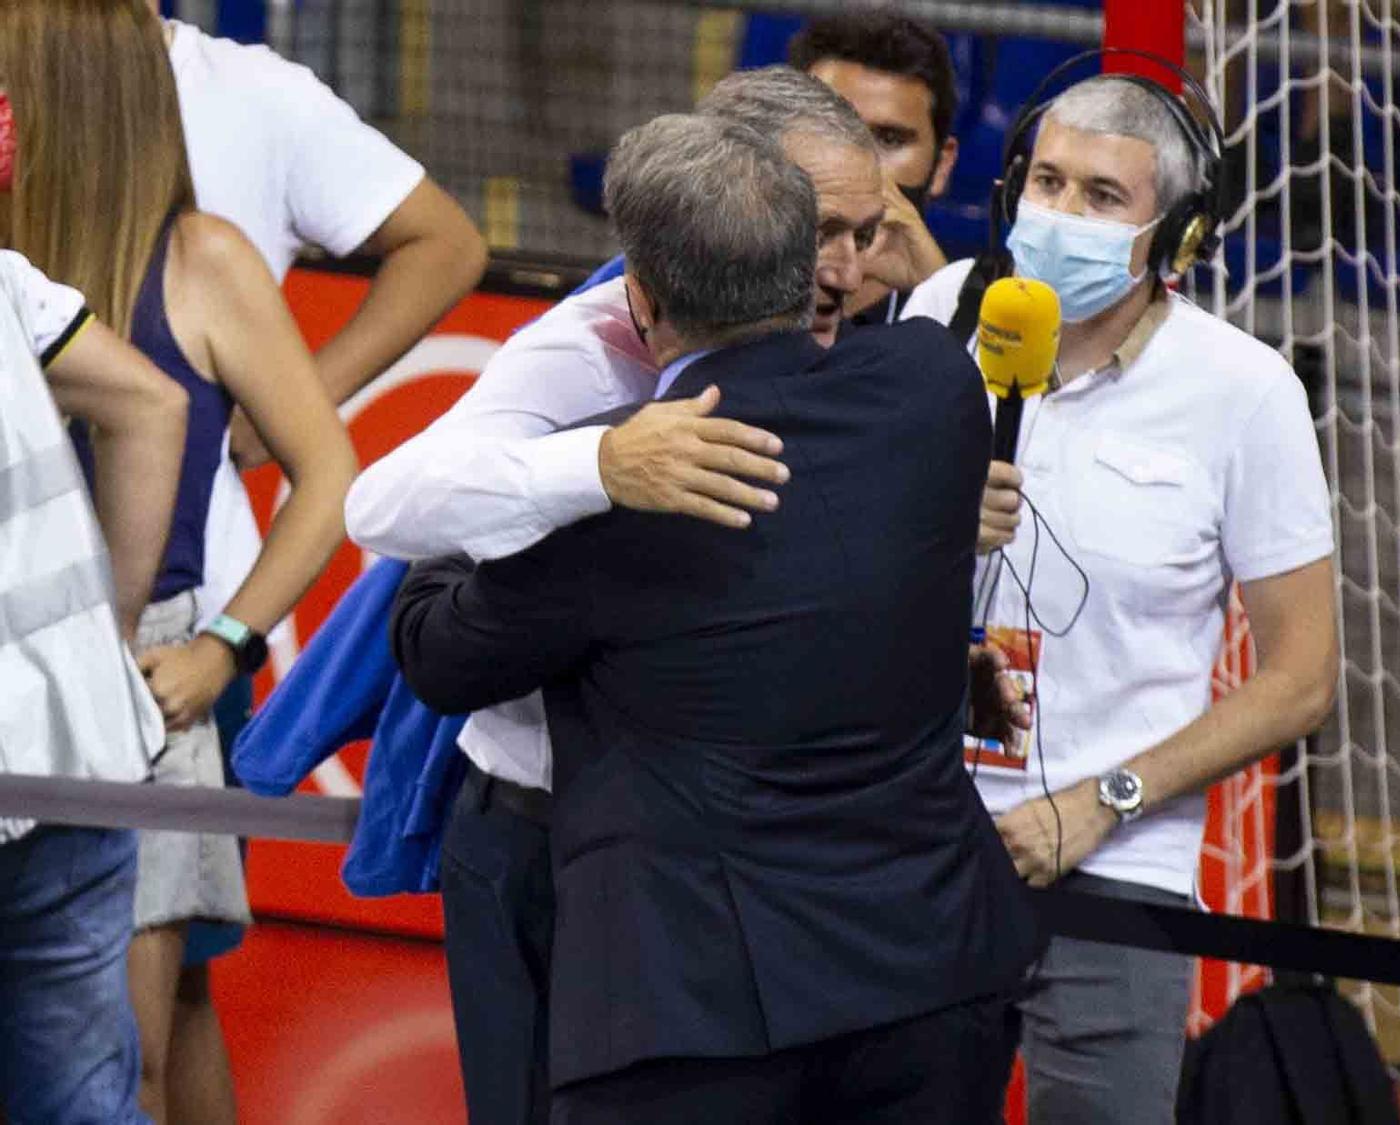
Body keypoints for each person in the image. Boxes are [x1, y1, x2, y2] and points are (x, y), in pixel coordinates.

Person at [345, 66, 1026, 1125]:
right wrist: (595, 469)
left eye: (867, 230)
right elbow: (383, 506)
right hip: (592, 867)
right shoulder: (592, 372)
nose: (844, 269)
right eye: (820, 233)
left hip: (729, 959)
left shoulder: (903, 375)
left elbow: (441, 639)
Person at [901, 71, 1339, 1123]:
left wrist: (1103, 806)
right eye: (1046, 182)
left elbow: (1299, 680)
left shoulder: (1243, 393)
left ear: (1177, 238)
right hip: (912, 837)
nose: (1060, 216)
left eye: (1101, 197)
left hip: (1114, 866)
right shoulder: (937, 316)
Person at [0, 3, 358, 1120]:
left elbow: (331, 476)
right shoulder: (16, 266)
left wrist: (224, 645)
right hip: (42, 690)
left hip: (143, 678)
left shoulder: (200, 260)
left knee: (128, 1052)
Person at [155, 8, 483, 1116]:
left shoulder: (253, 95)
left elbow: (446, 241)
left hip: (183, 618)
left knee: (175, 982)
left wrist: (291, 400)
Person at [0, 249, 187, 1125]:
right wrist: (103, 636)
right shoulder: (6, 282)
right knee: (80, 1104)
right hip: (80, 758)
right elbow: (152, 403)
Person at [788, 9, 959, 324]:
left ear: (942, 166)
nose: (858, 163)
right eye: (831, 128)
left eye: (890, 140)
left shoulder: (970, 331)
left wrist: (942, 298)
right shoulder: (710, 299)